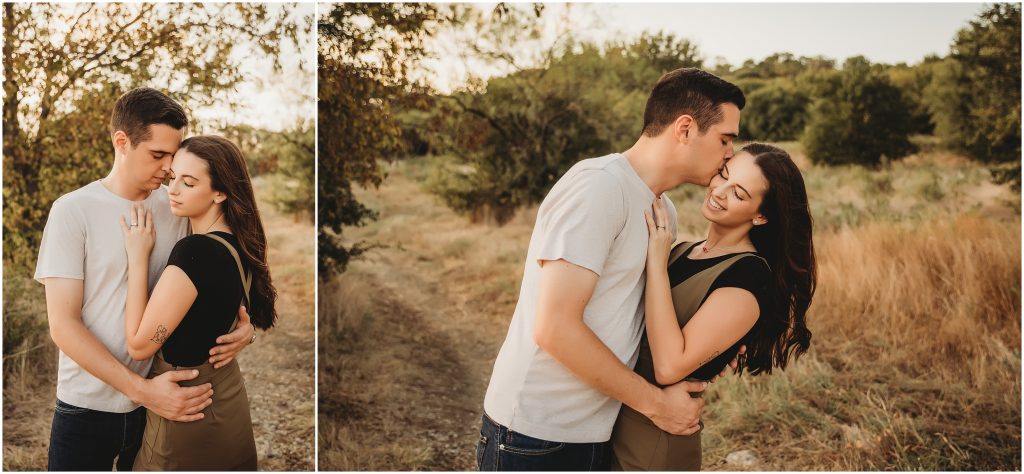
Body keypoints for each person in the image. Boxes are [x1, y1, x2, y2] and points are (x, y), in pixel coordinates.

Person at [477, 68, 746, 471]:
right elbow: (555, 328)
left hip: (599, 429)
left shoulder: (664, 211)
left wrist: (711, 350)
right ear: (686, 128)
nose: (730, 154)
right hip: (536, 436)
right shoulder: (599, 187)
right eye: (725, 139)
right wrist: (657, 406)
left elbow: (634, 314)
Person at [34, 88, 256, 471]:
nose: (169, 168)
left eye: (173, 156)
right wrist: (144, 392)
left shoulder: (177, 206)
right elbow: (63, 325)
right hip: (87, 407)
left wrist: (244, 327)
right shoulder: (73, 211)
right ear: (122, 142)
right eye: (158, 155)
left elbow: (215, 273)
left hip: (159, 405)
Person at [610, 143, 816, 470]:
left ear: (761, 215)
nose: (719, 191)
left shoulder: (748, 277)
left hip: (653, 444)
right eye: (723, 175)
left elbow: (668, 366)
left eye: (739, 194)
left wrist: (656, 263)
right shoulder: (683, 251)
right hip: (614, 423)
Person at [121, 135, 278, 470]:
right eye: (172, 177)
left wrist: (137, 258)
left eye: (189, 183)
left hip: (186, 408)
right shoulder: (241, 246)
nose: (173, 190)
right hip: (229, 400)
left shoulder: (196, 252)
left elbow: (138, 345)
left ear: (220, 192)